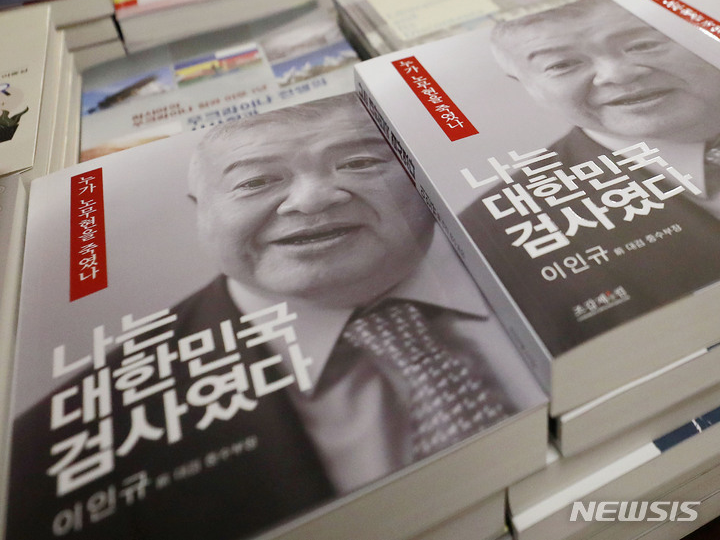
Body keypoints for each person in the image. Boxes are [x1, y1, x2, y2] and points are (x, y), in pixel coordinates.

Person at [7, 94, 533, 540]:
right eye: (256, 181)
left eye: (358, 163)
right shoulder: (48, 452)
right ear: (200, 209)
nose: (312, 200)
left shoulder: (528, 235)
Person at [460, 0, 720, 352]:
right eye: (563, 64)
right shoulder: (489, 236)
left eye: (642, 45)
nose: (618, 75)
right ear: (523, 82)